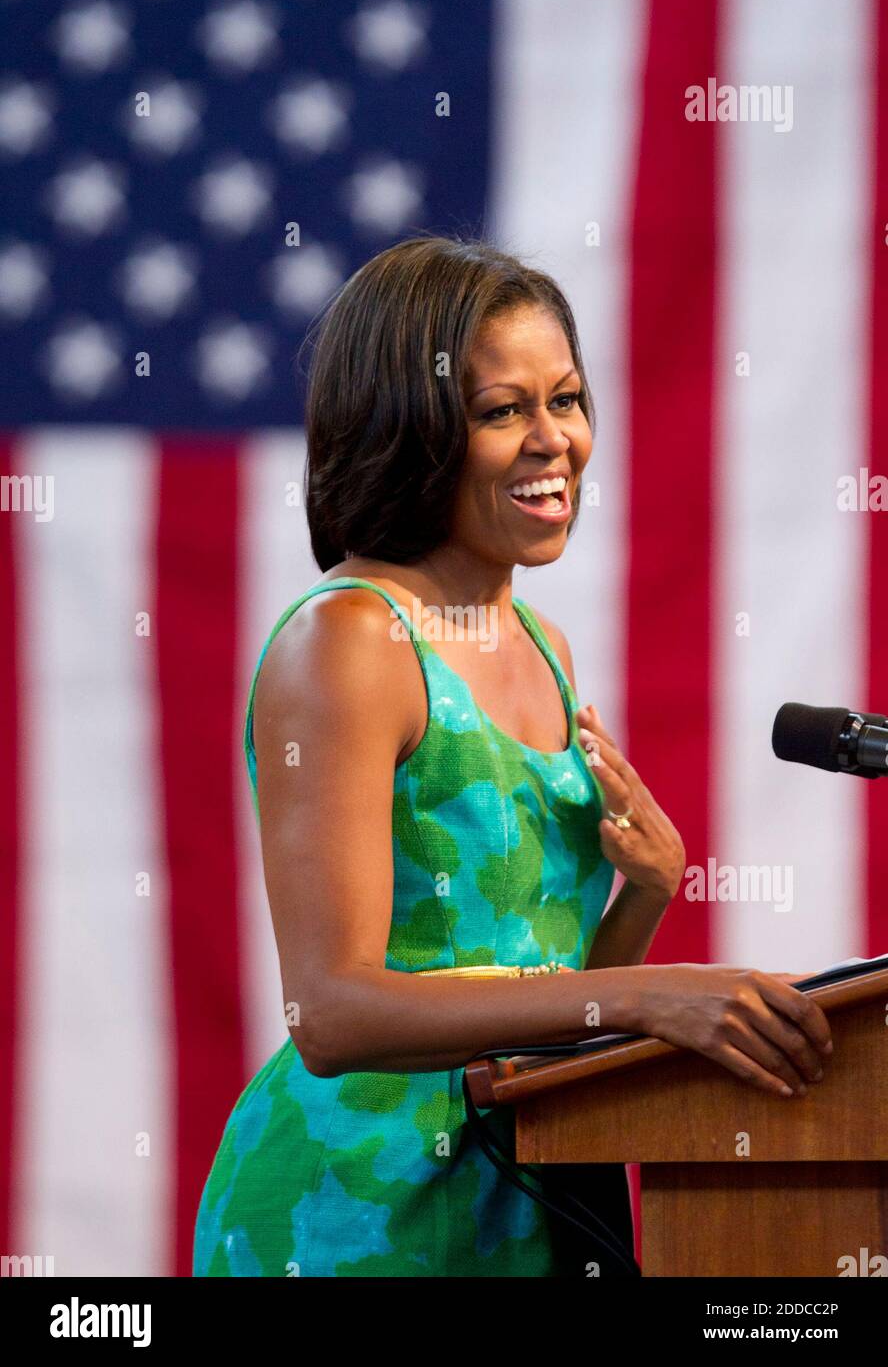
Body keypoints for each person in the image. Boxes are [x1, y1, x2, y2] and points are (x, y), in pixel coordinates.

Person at [192, 234, 832, 1277]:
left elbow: (548, 1014)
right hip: (363, 1208)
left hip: (524, 1195)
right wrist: (644, 997)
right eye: (503, 411)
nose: (556, 441)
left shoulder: (543, 645)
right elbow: (333, 1012)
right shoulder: (350, 640)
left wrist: (643, 899)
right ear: (411, 425)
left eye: (567, 400)